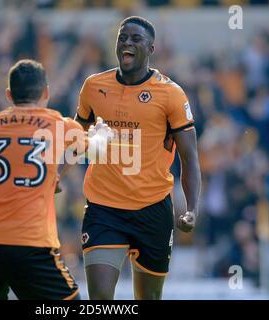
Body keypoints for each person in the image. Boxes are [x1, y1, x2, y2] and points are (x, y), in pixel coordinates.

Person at [74, 16, 202, 300]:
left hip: (152, 209)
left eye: (135, 39)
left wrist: (191, 207)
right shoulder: (93, 86)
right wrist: (63, 168)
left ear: (151, 49)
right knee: (100, 301)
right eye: (122, 38)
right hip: (103, 209)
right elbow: (75, 137)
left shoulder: (170, 94)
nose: (127, 44)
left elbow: (189, 158)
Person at [0, 59, 111, 300]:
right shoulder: (56, 123)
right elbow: (97, 150)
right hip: (28, 243)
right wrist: (102, 134)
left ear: (9, 95)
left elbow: (14, 160)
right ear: (45, 92)